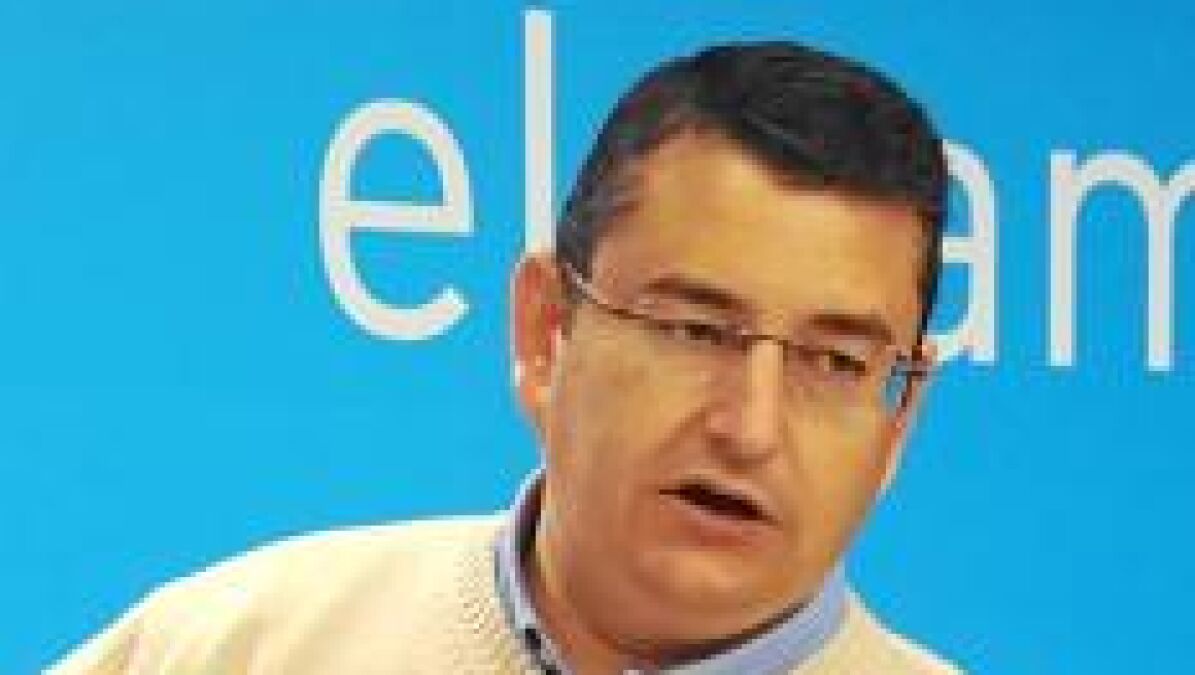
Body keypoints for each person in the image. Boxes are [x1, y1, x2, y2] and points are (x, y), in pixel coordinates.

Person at [50, 41, 961, 674]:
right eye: (696, 330)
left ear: (899, 424)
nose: (750, 427)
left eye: (833, 363)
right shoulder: (237, 647)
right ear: (545, 329)